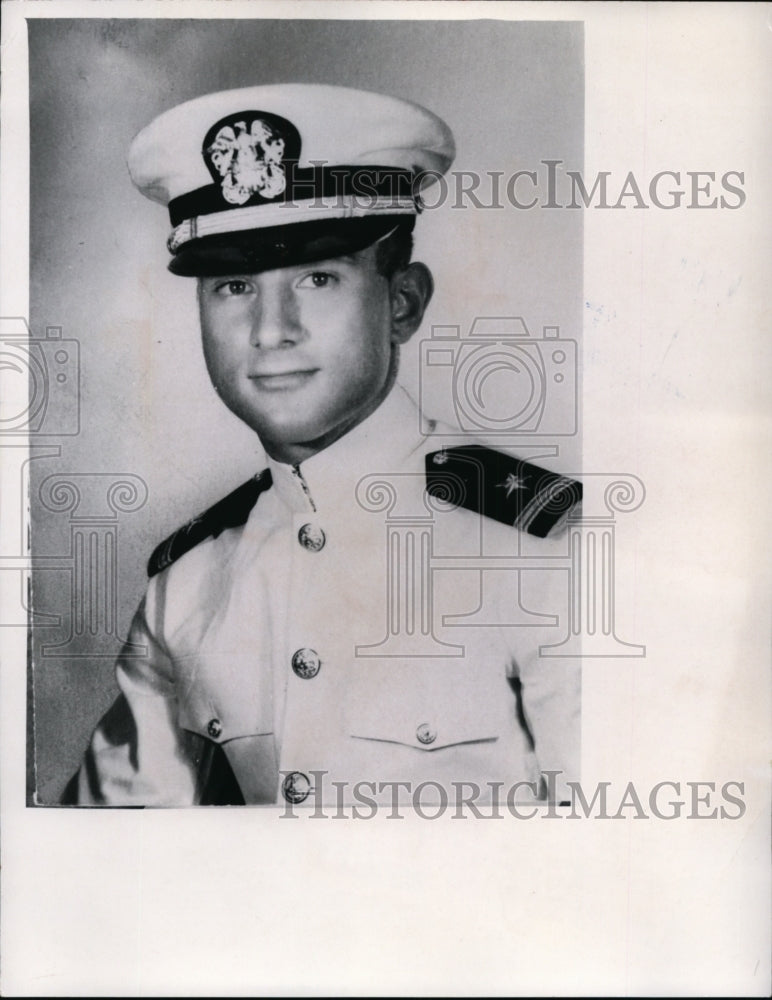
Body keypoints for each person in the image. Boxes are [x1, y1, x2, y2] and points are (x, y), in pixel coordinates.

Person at [65, 83, 581, 809]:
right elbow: (105, 862)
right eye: (234, 284)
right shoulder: (186, 587)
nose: (272, 329)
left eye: (317, 277)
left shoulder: (545, 548)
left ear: (402, 303)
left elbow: (621, 877)